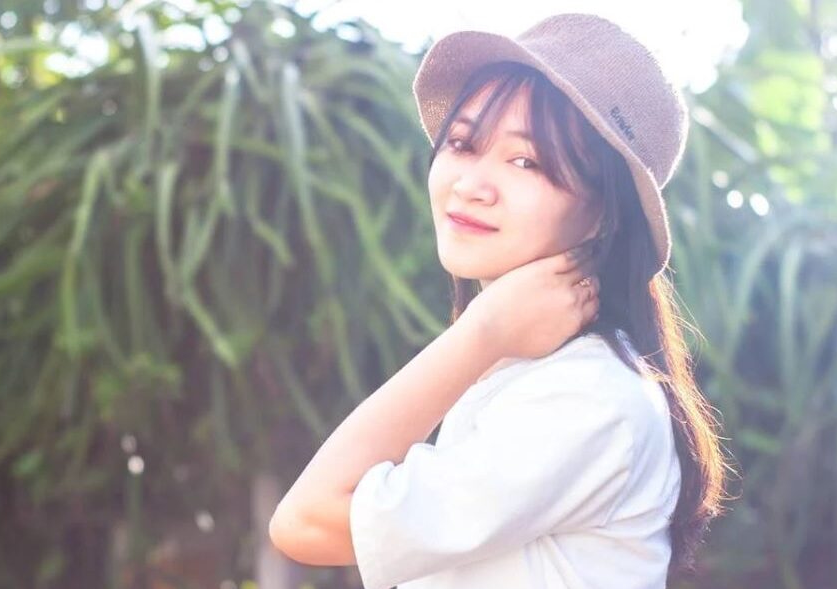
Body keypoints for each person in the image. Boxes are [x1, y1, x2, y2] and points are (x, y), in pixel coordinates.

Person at [269, 12, 734, 589]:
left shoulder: (585, 399)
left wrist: (477, 333)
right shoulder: (530, 376)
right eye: (463, 144)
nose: (471, 184)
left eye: (525, 161)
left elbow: (306, 521)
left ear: (603, 212)